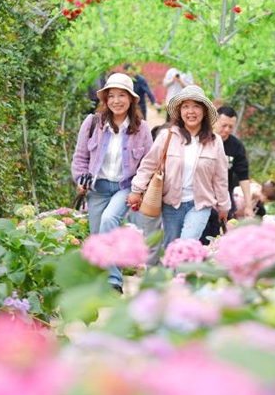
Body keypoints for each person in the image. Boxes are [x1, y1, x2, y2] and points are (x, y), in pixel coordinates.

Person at [71, 73, 153, 292]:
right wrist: (80, 180)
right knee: (98, 236)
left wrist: (138, 189)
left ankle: (113, 281)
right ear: (105, 100)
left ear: (131, 99)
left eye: (122, 95)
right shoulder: (92, 123)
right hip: (97, 187)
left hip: (124, 187)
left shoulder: (142, 128)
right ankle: (100, 280)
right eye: (112, 96)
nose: (117, 100)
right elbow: (80, 158)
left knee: (109, 220)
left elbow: (149, 163)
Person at [127, 85, 230, 250]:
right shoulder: (167, 136)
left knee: (186, 245)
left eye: (196, 106)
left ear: (204, 111)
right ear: (180, 111)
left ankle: (180, 275)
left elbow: (220, 177)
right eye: (186, 106)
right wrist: (136, 189)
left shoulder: (214, 141)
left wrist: (224, 206)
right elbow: (149, 164)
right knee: (171, 247)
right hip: (171, 203)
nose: (191, 111)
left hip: (200, 204)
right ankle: (172, 276)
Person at [200, 105, 251, 244]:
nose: (227, 130)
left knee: (219, 239)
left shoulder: (236, 146)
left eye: (231, 126)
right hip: (200, 198)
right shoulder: (201, 140)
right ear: (214, 121)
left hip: (223, 200)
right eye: (224, 125)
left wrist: (248, 205)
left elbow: (244, 177)